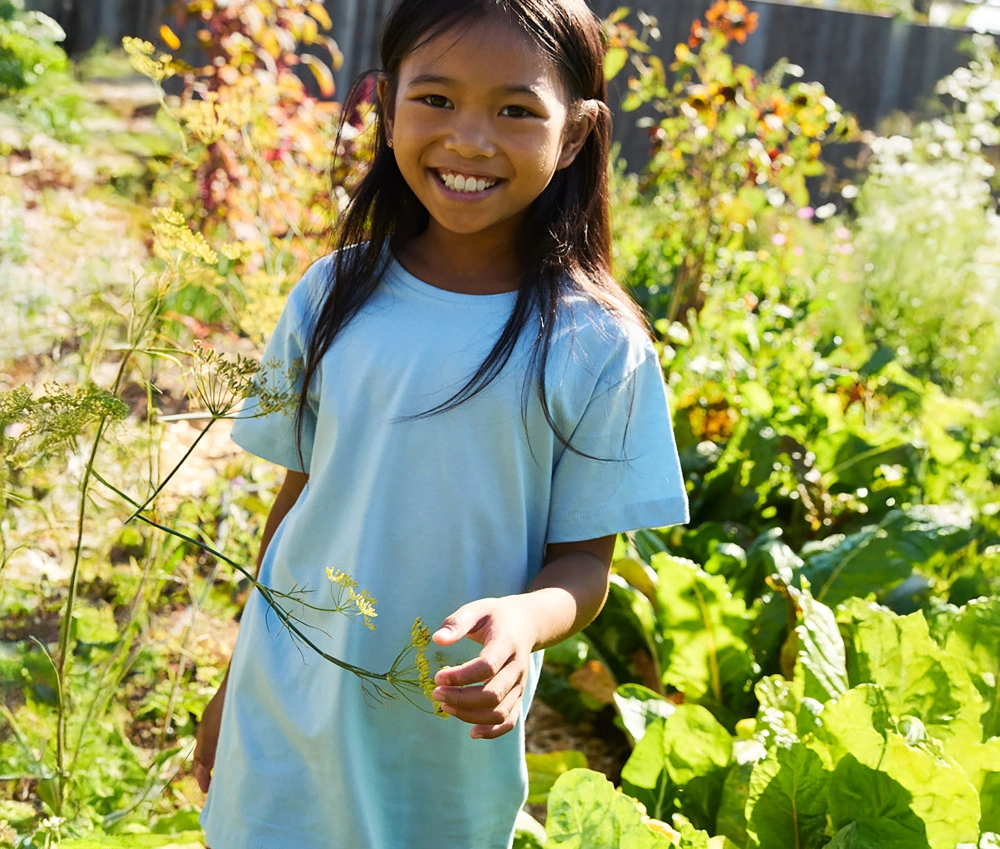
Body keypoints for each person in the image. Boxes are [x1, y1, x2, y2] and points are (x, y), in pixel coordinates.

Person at [193, 0, 689, 847]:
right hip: (291, 699)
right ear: (387, 108)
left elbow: (584, 564)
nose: (469, 139)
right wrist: (236, 677)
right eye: (436, 99)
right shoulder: (331, 294)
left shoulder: (598, 344)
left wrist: (521, 624)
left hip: (448, 723)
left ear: (574, 135)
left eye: (515, 110)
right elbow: (299, 501)